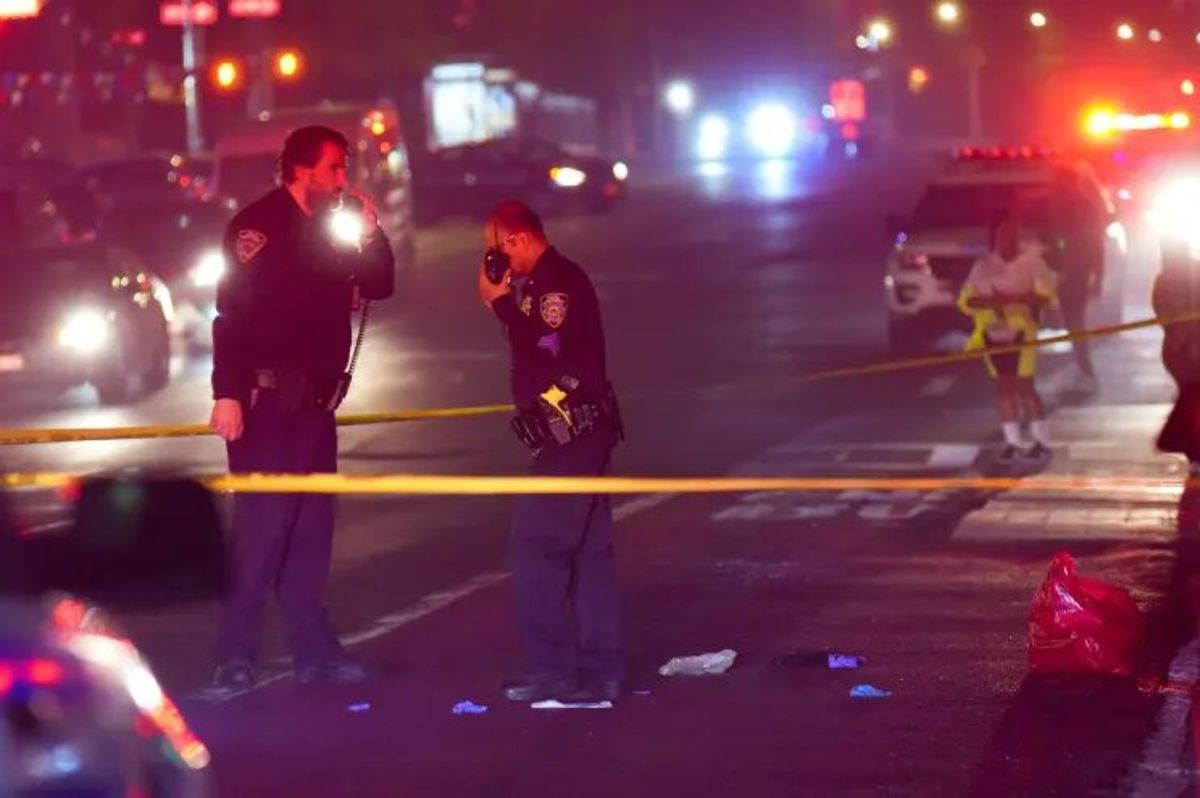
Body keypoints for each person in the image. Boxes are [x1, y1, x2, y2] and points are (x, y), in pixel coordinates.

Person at [209, 125, 394, 689]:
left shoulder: (331, 231)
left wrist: (371, 234)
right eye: (334, 167)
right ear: (302, 170)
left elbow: (379, 284)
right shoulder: (257, 228)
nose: (343, 178)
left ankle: (315, 654)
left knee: (311, 536)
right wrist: (227, 392)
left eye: (343, 168)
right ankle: (235, 655)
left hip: (315, 409)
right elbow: (231, 315)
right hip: (267, 407)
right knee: (262, 533)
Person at [477, 200, 625, 704]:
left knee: (536, 550)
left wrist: (500, 302)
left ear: (516, 240)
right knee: (589, 558)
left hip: (571, 442)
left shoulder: (554, 284)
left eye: (495, 250)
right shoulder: (543, 285)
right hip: (579, 437)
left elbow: (545, 343)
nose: (493, 261)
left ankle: (552, 671)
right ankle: (601, 673)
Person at [959, 211, 1058, 462]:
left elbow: (1047, 296)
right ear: (995, 236)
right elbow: (967, 301)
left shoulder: (1032, 264)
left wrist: (1020, 299)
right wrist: (994, 302)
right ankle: (1013, 443)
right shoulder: (983, 266)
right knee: (1004, 389)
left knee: (1025, 386)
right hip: (991, 335)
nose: (1010, 238)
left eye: (1014, 232)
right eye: (1004, 232)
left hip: (1022, 333)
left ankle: (1041, 441)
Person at [1043, 169, 1106, 390]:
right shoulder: (1062, 205)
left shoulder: (1078, 206)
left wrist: (1097, 276)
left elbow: (1091, 242)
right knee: (1071, 319)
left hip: (1076, 272)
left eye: (1058, 182)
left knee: (1074, 319)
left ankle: (1085, 369)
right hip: (1068, 271)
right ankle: (1082, 366)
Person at [1153, 240, 1200, 527]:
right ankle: (1194, 452)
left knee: (1191, 400)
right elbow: (1164, 314)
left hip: (1189, 350)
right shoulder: (1165, 280)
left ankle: (1193, 451)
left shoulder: (1192, 274)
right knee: (1190, 399)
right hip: (1181, 354)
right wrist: (1180, 338)